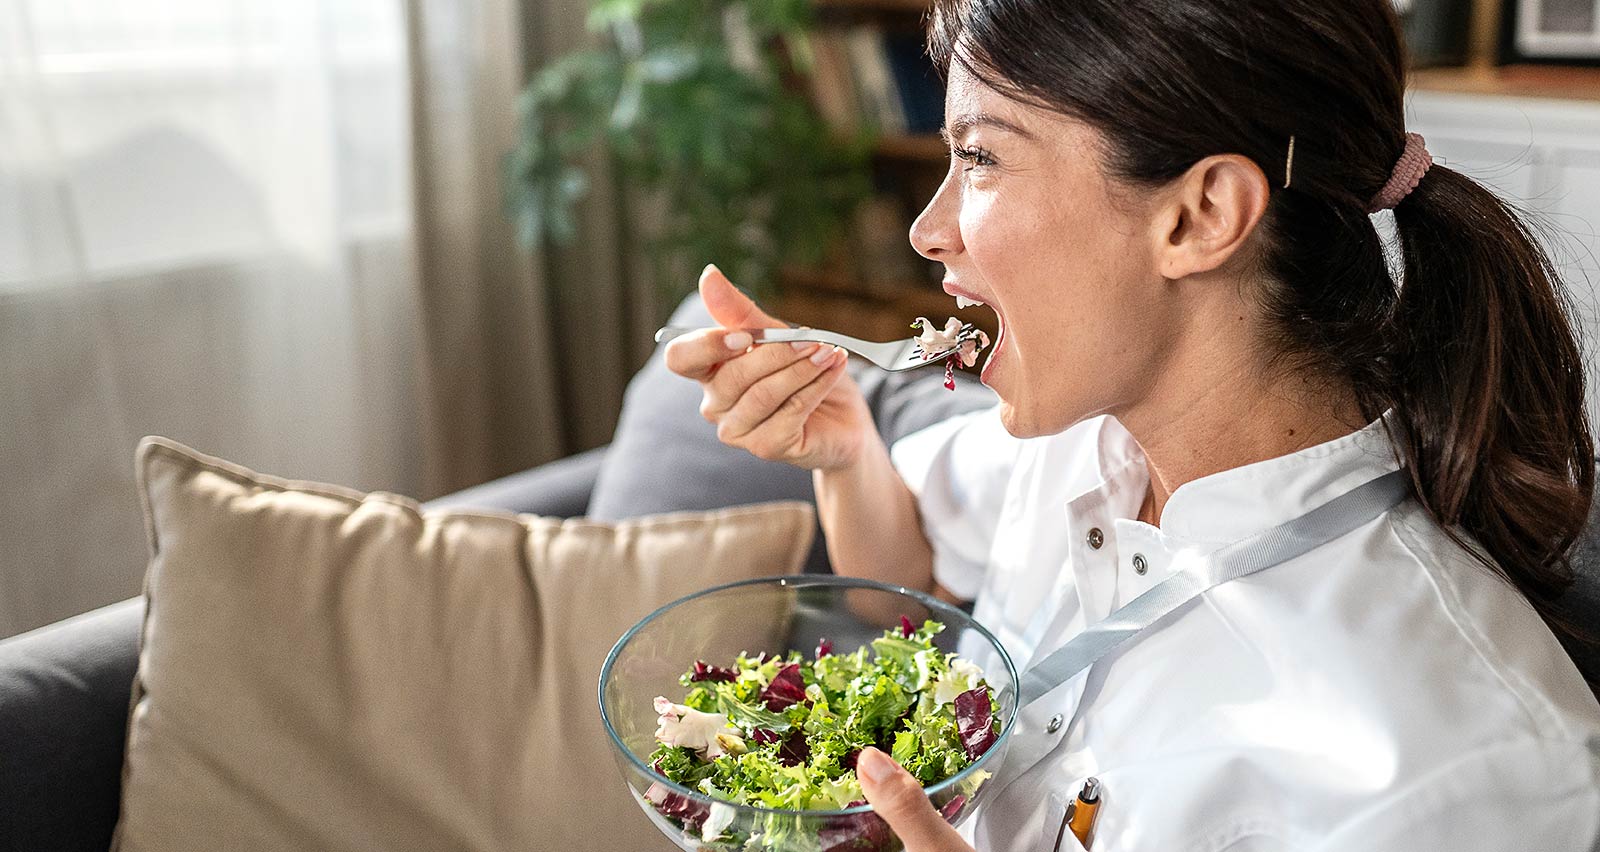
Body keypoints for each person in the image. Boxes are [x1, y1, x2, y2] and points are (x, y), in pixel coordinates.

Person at [664, 0, 1600, 848]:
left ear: (1199, 215)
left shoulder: (1462, 774)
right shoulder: (1087, 435)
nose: (927, 229)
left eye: (981, 157)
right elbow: (895, 580)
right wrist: (845, 447)